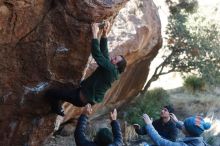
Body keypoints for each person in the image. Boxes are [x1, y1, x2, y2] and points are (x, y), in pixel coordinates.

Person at [45, 21, 127, 116]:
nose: (113, 58)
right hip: (80, 94)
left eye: (115, 59)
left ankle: (57, 110)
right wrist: (104, 34)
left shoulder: (111, 70)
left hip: (79, 98)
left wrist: (94, 34)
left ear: (116, 65)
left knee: (51, 93)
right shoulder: (112, 69)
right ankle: (59, 104)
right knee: (62, 91)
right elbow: (105, 54)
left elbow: (98, 55)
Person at [141, 113, 211, 146]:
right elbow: (187, 128)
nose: (182, 125)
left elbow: (160, 141)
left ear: (187, 131)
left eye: (184, 125)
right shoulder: (199, 141)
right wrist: (177, 122)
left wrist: (149, 125)